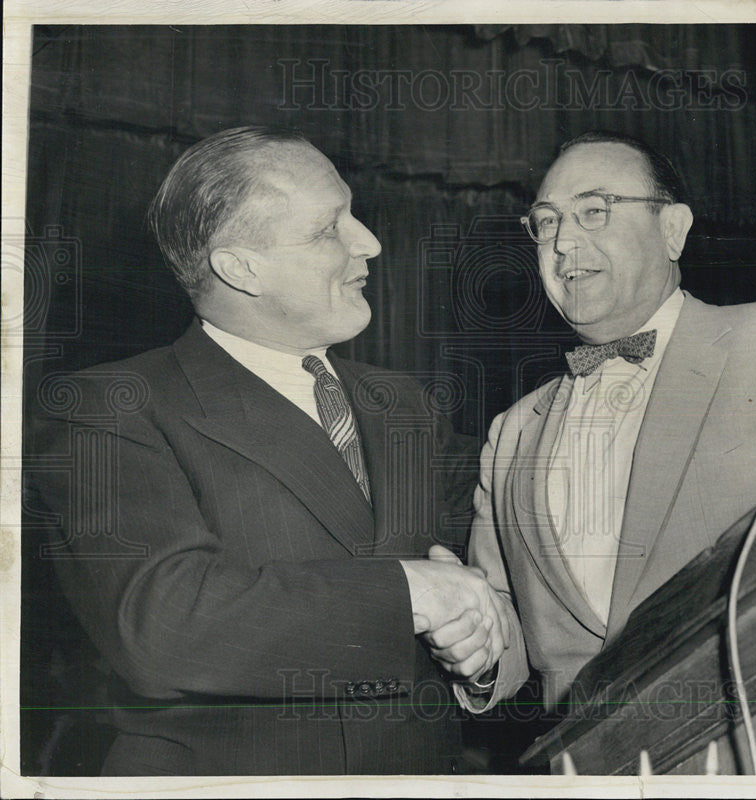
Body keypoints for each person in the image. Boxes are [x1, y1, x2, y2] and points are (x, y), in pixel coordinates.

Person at [30, 127, 522, 775]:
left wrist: (484, 657)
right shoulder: (112, 406)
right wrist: (407, 591)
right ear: (241, 267)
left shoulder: (404, 405)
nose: (369, 242)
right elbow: (162, 625)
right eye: (329, 229)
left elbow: (494, 582)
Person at [466, 131, 756, 712]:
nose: (564, 242)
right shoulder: (511, 433)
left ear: (673, 230)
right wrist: (472, 646)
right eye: (547, 222)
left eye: (594, 212)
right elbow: (502, 619)